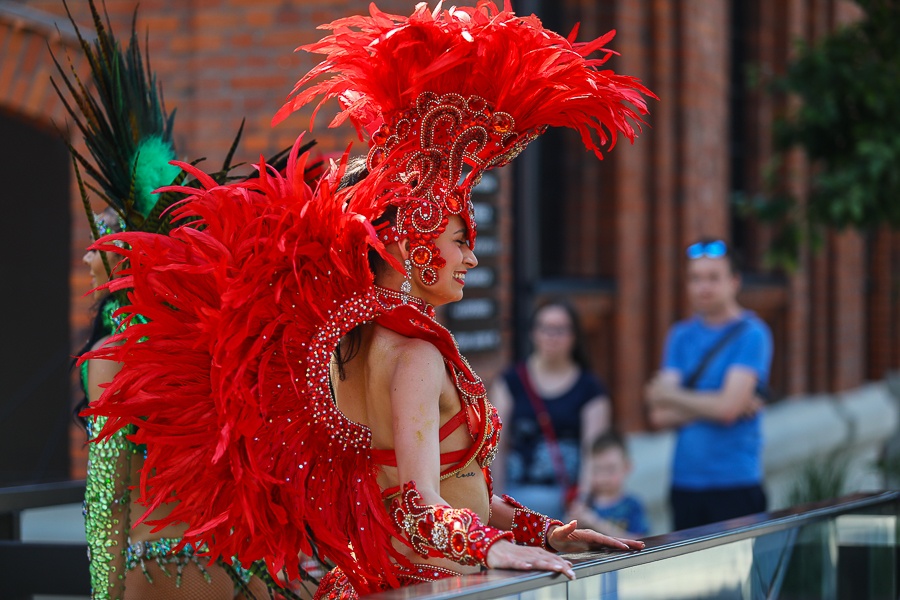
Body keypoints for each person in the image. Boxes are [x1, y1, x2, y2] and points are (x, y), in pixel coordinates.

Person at [83, 3, 656, 598]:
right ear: (413, 238)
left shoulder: (365, 344)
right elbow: (417, 504)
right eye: (461, 239)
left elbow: (462, 491)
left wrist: (550, 533)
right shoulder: (411, 354)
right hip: (429, 583)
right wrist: (496, 546)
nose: (471, 258)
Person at [59, 3, 276, 598]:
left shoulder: (111, 356)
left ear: (129, 259)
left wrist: (106, 594)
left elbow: (108, 499)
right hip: (246, 573)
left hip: (162, 578)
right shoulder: (228, 338)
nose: (86, 258)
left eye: (102, 240)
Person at [645, 238, 773, 531]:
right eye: (695, 278)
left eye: (713, 278)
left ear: (734, 281)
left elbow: (726, 410)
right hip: (684, 483)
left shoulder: (752, 334)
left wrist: (672, 396)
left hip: (735, 483)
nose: (704, 287)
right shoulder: (679, 335)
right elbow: (659, 416)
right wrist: (721, 403)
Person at [491, 300, 612, 520]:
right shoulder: (510, 382)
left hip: (566, 503)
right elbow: (495, 447)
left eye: (560, 329)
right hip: (515, 498)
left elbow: (592, 451)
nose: (551, 336)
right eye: (545, 328)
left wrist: (581, 502)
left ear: (574, 336)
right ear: (533, 333)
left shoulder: (590, 389)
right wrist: (494, 501)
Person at [566, 431, 649, 539]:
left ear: (627, 467)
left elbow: (641, 541)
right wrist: (570, 523)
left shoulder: (633, 505)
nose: (603, 477)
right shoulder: (585, 503)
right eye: (597, 470)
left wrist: (596, 523)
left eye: (610, 469)